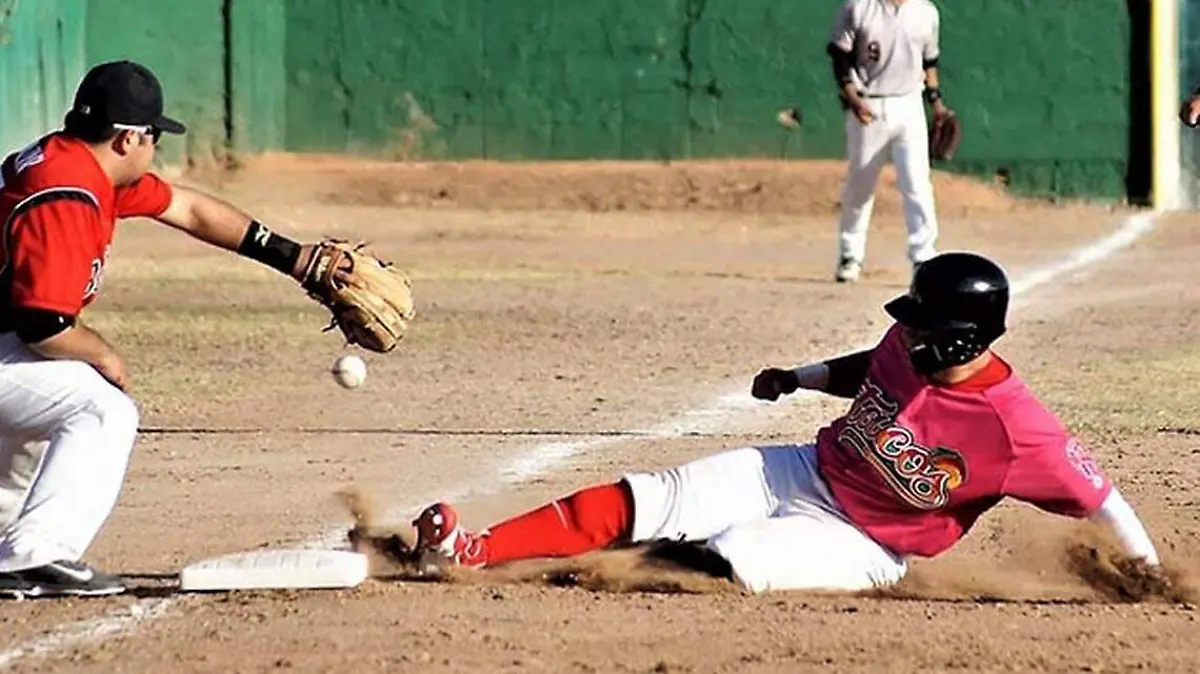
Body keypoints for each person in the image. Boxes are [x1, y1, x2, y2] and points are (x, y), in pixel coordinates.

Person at [408, 252, 1162, 594]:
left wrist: (1149, 577)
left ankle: (580, 569)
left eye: (922, 323)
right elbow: (869, 365)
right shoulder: (909, 345)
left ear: (962, 338)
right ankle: (471, 551)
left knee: (721, 560)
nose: (907, 329)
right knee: (649, 495)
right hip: (805, 469)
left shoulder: (1017, 427)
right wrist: (796, 380)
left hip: (864, 544)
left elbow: (1101, 500)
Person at [0, 60, 343, 598]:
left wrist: (294, 258)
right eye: (154, 134)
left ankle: (11, 547)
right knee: (99, 407)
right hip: (11, 342)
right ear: (127, 138)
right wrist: (104, 354)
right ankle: (33, 556)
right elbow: (43, 324)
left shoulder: (83, 165)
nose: (156, 146)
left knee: (46, 405)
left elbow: (188, 208)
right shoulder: (67, 193)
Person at [826, 0, 949, 283]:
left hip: (909, 104)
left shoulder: (926, 11)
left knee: (917, 182)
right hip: (869, 106)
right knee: (861, 184)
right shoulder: (858, 7)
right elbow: (840, 57)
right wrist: (853, 98)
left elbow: (929, 62)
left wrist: (937, 104)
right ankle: (850, 254)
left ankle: (923, 256)